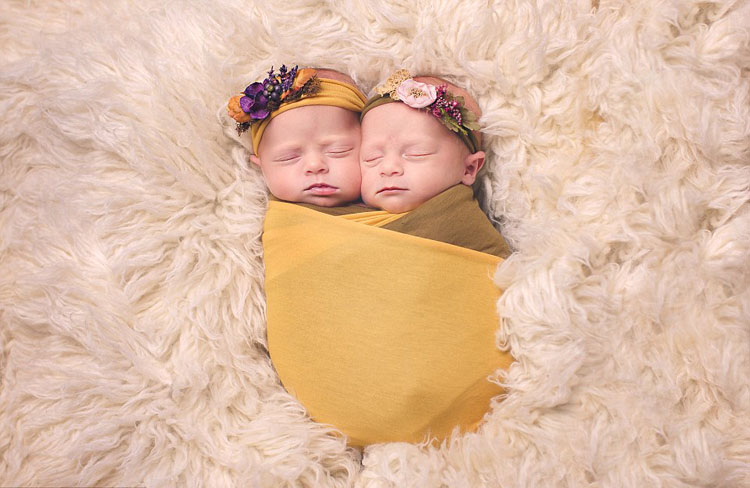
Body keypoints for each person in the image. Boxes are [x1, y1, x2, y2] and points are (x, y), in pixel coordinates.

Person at [260, 69, 515, 447]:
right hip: (332, 402)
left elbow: (509, 291)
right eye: (371, 156)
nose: (389, 167)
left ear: (469, 168)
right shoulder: (310, 220)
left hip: (456, 398)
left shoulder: (461, 224)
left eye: (416, 153)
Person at [227, 65, 366, 207]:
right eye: (288, 157)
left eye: (338, 150)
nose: (315, 165)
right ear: (261, 166)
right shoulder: (259, 216)